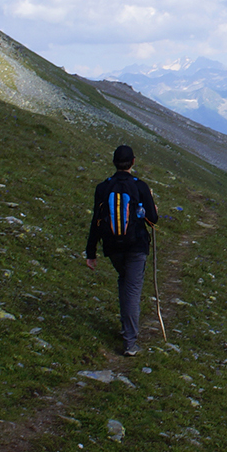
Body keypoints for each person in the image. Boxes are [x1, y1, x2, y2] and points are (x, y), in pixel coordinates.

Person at [84, 144, 159, 355]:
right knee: (133, 289)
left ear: (114, 162)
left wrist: (91, 253)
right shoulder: (140, 186)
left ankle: (126, 327)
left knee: (124, 281)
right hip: (136, 247)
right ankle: (130, 342)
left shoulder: (103, 187)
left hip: (112, 247)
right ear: (133, 162)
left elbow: (96, 221)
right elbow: (152, 219)